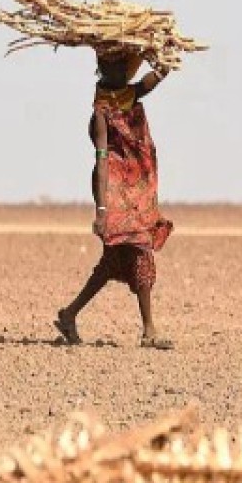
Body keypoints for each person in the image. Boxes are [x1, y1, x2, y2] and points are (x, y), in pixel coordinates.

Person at [53, 51, 174, 349]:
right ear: (101, 68)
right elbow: (103, 161)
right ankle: (149, 331)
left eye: (121, 65)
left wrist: (166, 59)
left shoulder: (128, 95)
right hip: (115, 193)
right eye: (109, 65)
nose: (116, 70)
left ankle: (69, 314)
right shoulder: (102, 113)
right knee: (140, 250)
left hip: (138, 190)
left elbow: (152, 80)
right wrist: (102, 210)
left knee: (113, 262)